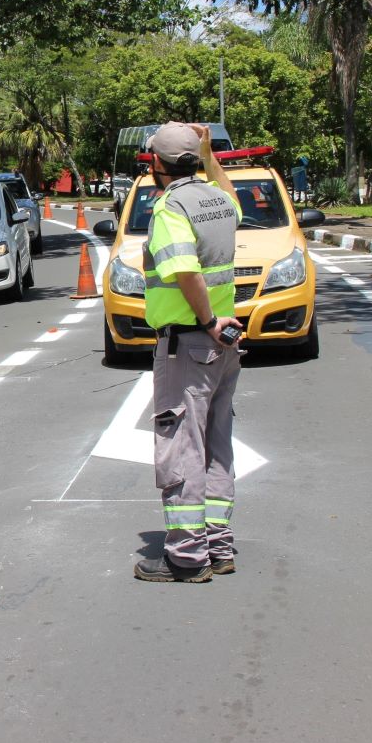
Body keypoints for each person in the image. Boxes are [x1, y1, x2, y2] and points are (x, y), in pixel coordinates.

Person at [134, 122, 244, 584]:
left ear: (155, 164)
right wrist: (209, 153)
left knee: (181, 446)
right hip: (224, 347)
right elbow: (230, 196)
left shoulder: (170, 208)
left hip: (189, 342)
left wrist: (206, 321)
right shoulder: (217, 200)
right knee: (216, 447)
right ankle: (218, 546)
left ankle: (186, 555)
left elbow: (184, 271)